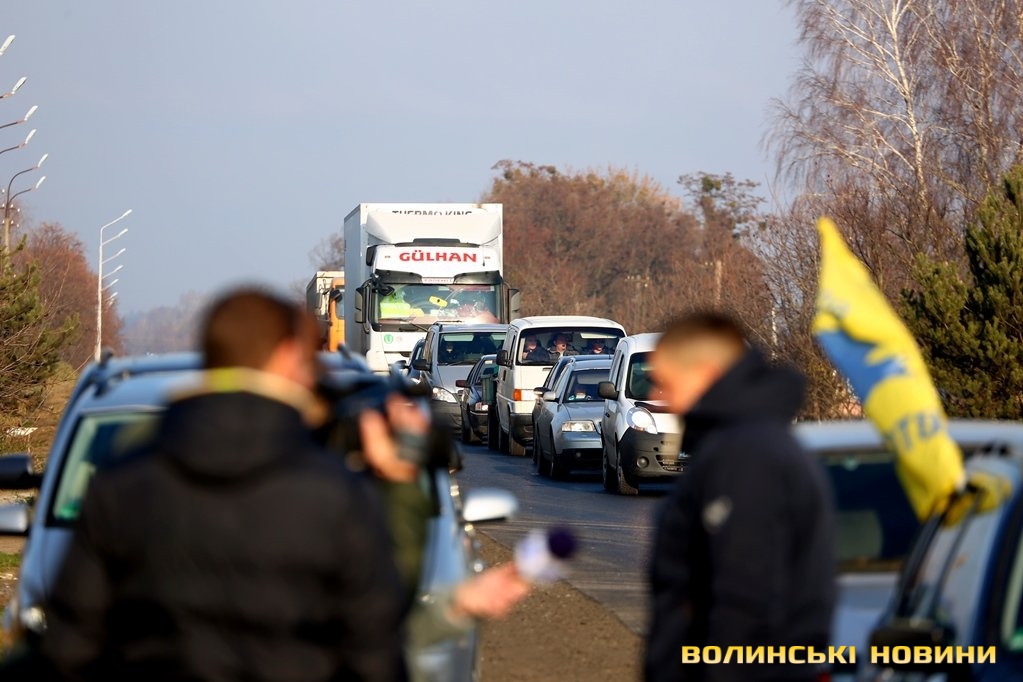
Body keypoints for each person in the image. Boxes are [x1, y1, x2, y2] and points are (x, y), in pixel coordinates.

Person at [36, 289, 409, 681]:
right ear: (286, 355)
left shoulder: (117, 487)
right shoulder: (340, 496)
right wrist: (399, 486)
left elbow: (68, 652)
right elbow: (376, 657)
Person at [644, 311, 835, 682]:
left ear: (705, 374)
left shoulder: (746, 456)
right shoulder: (741, 443)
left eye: (666, 384)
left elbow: (743, 600)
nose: (656, 397)